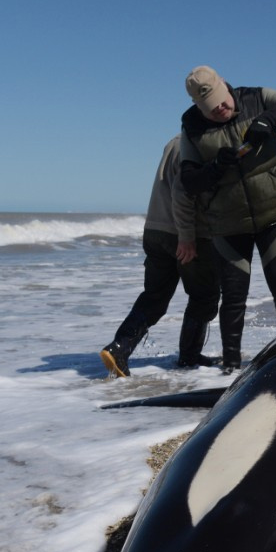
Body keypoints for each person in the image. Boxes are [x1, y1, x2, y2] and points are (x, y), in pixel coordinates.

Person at [178, 66, 276, 372]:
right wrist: (213, 168)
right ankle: (231, 367)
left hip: (274, 214)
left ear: (226, 87)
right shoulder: (191, 127)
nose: (221, 109)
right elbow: (188, 181)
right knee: (234, 297)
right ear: (200, 108)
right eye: (211, 109)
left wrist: (269, 119)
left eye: (223, 101)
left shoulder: (255, 98)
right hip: (228, 225)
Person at [100, 136, 220, 377]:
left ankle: (119, 348)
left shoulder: (175, 141)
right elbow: (185, 192)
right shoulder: (200, 145)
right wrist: (189, 236)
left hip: (155, 228)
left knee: (155, 296)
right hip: (185, 232)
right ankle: (189, 357)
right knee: (204, 296)